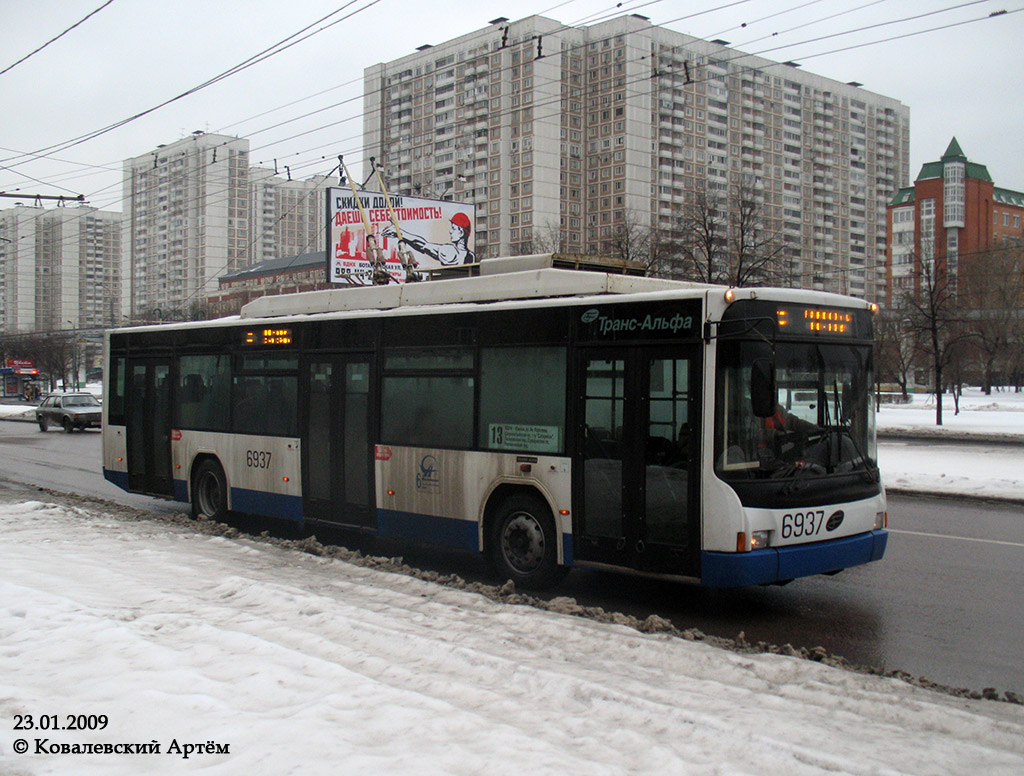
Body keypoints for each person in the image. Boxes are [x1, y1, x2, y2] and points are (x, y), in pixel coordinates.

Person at [382, 212, 475, 266]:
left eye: (453, 228)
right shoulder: (471, 256)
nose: (450, 231)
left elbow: (423, 245)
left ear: (461, 232)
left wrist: (400, 232)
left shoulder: (451, 252)